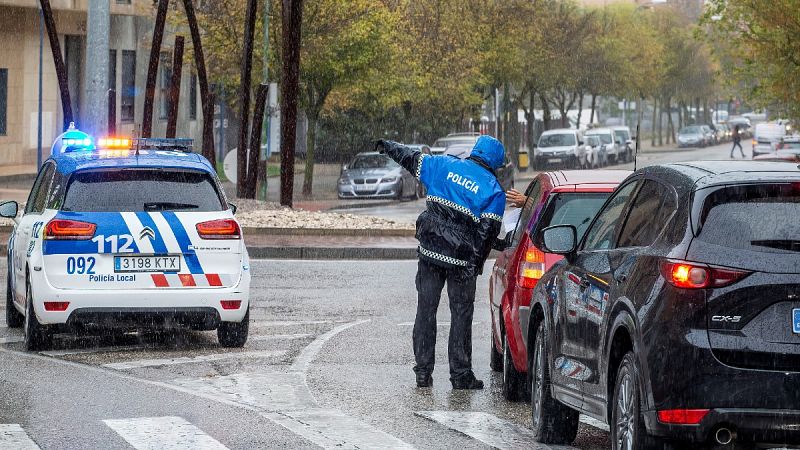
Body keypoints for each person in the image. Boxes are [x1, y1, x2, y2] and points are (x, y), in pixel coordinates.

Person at [375, 136, 506, 390]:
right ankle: (460, 375)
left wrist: (388, 146)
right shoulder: (494, 190)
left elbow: (411, 158)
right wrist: (475, 264)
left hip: (430, 252)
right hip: (461, 259)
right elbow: (487, 233)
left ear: (475, 152)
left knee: (426, 311)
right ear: (496, 163)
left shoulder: (443, 166)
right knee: (461, 316)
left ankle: (423, 373)